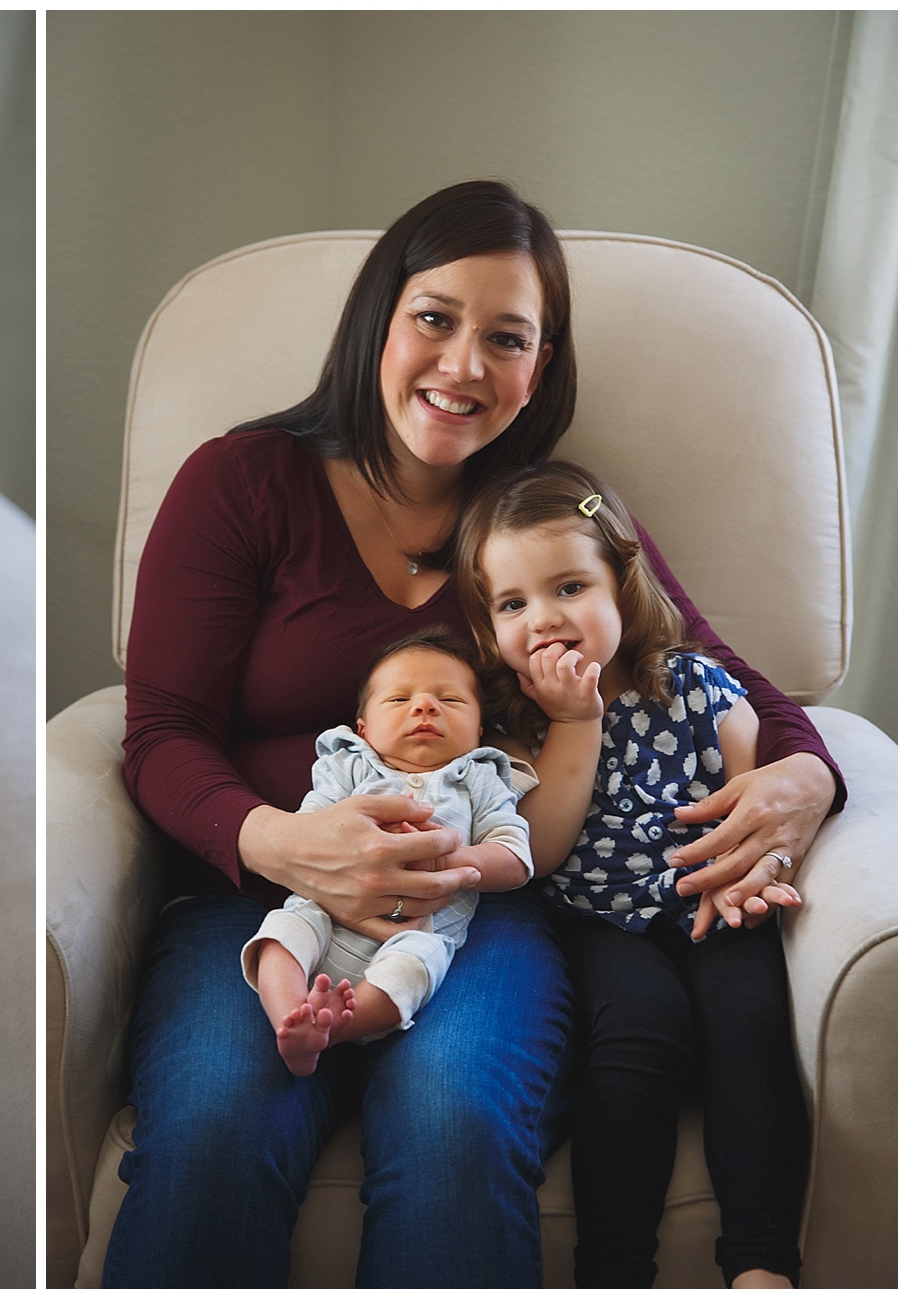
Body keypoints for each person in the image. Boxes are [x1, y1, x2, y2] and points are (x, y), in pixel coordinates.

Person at [107, 178, 842, 1287]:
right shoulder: (242, 483)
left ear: (537, 370)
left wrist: (806, 781)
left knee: (456, 1133)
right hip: (251, 901)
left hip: (481, 911)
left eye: (506, 339)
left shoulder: (542, 526)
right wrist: (277, 843)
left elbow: (715, 674)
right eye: (436, 319)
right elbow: (159, 732)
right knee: (212, 1135)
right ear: (380, 319)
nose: (462, 366)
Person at [457, 461, 808, 1287]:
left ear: (622, 582)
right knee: (639, 1032)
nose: (543, 620)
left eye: (569, 587)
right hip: (597, 923)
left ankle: (761, 1261)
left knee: (748, 1019)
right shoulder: (512, 727)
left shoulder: (696, 686)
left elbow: (750, 797)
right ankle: (614, 1268)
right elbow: (538, 851)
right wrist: (576, 722)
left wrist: (744, 871)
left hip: (710, 897)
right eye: (513, 604)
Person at [242, 632, 535, 1076]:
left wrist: (445, 862)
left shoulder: (479, 779)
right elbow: (308, 832)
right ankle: (290, 1017)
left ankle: (336, 1028)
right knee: (283, 931)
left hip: (417, 928)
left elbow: (514, 859)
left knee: (421, 961)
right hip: (325, 911)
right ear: (363, 728)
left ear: (478, 730)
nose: (424, 707)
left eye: (450, 700)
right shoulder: (350, 765)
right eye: (399, 699)